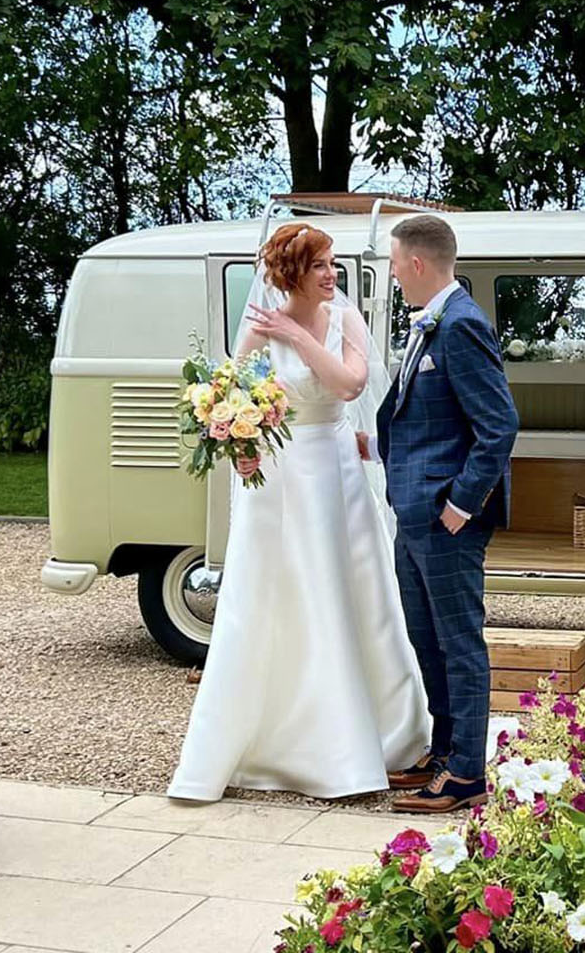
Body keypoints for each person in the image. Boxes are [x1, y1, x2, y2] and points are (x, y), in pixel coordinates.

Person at [166, 223, 430, 801]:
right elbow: (233, 395)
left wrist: (298, 335)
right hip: (277, 477)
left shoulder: (344, 319)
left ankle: (372, 736)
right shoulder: (260, 329)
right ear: (292, 273)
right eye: (320, 266)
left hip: (333, 471)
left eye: (332, 264)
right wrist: (240, 446)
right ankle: (264, 740)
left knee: (346, 589)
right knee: (270, 597)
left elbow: (349, 384)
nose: (331, 274)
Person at [374, 214, 520, 813]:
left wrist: (462, 502)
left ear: (415, 264)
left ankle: (467, 774)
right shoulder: (433, 322)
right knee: (424, 636)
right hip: (415, 509)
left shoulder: (460, 324)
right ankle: (444, 751)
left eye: (393, 262)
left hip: (444, 514)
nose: (391, 273)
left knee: (458, 642)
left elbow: (500, 424)